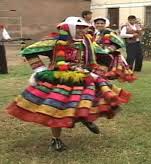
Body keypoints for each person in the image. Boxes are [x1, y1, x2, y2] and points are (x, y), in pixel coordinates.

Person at [6, 17, 131, 151]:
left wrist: (113, 52)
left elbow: (103, 54)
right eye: (78, 28)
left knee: (89, 101)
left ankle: (85, 118)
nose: (82, 31)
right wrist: (40, 70)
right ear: (69, 28)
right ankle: (56, 140)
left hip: (84, 77)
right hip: (59, 79)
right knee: (57, 109)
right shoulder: (54, 41)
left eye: (84, 28)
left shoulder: (88, 42)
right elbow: (28, 51)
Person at [93, 16, 136, 82]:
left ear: (105, 24)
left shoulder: (109, 32)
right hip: (97, 57)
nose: (99, 25)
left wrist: (107, 50)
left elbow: (120, 43)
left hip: (107, 57)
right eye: (97, 23)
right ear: (95, 24)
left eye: (102, 23)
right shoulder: (96, 33)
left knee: (105, 76)